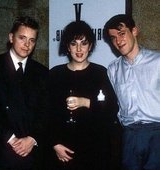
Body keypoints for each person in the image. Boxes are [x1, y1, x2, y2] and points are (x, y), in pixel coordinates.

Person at [49, 20, 119, 170]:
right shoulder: (55, 74)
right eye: (74, 43)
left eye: (84, 43)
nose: (79, 49)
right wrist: (54, 144)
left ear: (91, 46)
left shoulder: (100, 73)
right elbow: (44, 112)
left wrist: (86, 102)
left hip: (94, 149)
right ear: (67, 47)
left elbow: (112, 109)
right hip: (62, 149)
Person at [0, 16, 49, 170]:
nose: (27, 45)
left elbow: (45, 111)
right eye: (22, 38)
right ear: (11, 37)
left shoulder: (42, 73)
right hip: (0, 151)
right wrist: (10, 139)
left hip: (32, 154)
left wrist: (32, 139)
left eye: (32, 40)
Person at [103, 14, 160, 170]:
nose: (118, 41)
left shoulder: (158, 61)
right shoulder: (113, 69)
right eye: (113, 38)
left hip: (157, 132)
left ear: (134, 31)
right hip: (129, 136)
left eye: (122, 33)